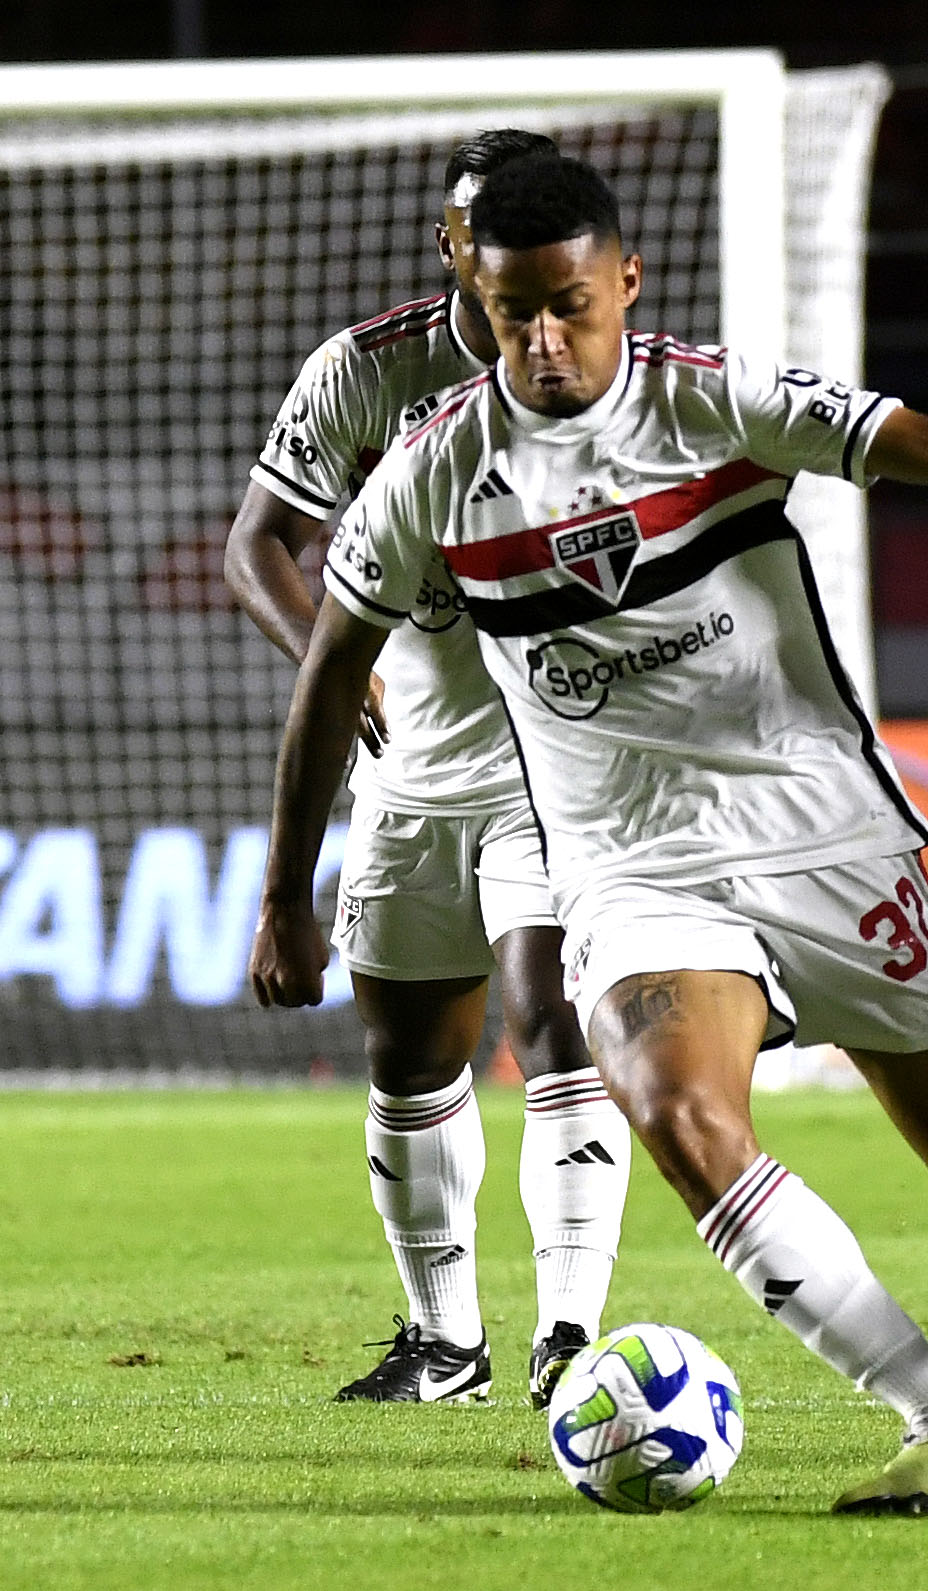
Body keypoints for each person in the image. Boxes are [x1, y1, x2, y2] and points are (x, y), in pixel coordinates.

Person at [248, 153, 928, 1513]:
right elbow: (326, 671)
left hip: (819, 830)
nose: (542, 339)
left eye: (570, 306)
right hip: (633, 866)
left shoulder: (711, 400)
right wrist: (287, 891)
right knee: (681, 1113)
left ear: (625, 285)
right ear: (470, 291)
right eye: (512, 309)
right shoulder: (429, 472)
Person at [226, 129, 631, 1409]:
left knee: (552, 1013)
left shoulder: (605, 379)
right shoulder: (367, 370)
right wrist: (338, 673)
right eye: (466, 225)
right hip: (414, 767)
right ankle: (442, 1341)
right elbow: (257, 546)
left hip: (556, 766)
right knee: (409, 1055)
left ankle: (567, 1331)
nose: (479, 245)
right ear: (448, 240)